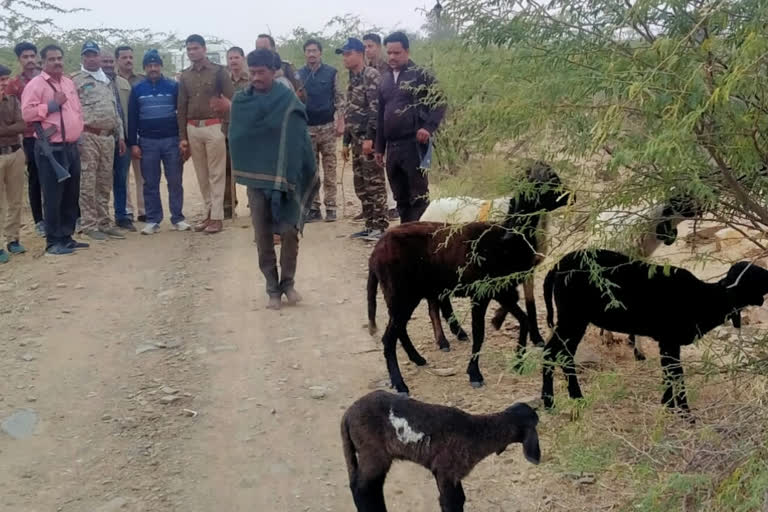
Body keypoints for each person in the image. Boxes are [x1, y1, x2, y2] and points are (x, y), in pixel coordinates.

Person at [228, 48, 318, 310]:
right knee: (263, 234)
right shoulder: (242, 101)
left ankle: (288, 283)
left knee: (290, 232)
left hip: (288, 179)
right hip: (257, 182)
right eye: (252, 72)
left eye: (261, 72)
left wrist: (295, 170)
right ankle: (272, 288)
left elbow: (298, 135)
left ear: (273, 71)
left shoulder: (287, 99)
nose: (256, 77)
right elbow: (238, 137)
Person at [21, 44, 87, 256]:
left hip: (70, 146)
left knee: (71, 194)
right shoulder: (36, 85)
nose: (57, 62)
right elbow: (27, 114)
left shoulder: (68, 82)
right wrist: (50, 105)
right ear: (43, 62)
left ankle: (67, 237)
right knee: (53, 196)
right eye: (52, 59)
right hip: (50, 148)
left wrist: (79, 135)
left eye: (59, 58)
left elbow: (76, 111)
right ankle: (53, 242)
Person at [375, 32, 446, 222]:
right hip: (393, 146)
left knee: (419, 196)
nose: (392, 57)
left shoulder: (421, 75)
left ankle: (423, 237)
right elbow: (380, 116)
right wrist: (379, 148)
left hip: (413, 144)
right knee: (400, 198)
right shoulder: (385, 79)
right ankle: (406, 238)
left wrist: (428, 127)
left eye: (396, 52)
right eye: (389, 52)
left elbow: (440, 101)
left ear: (407, 51)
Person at [128, 50, 190, 235]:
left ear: (161, 66)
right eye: (149, 65)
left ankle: (178, 218)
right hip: (147, 142)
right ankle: (153, 220)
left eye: (156, 65)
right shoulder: (138, 89)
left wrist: (182, 138)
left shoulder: (173, 86)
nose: (153, 68)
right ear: (145, 68)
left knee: (175, 181)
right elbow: (132, 118)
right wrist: (134, 143)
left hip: (171, 140)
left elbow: (181, 113)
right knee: (150, 182)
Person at [177, 34, 234, 234]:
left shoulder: (219, 72)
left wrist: (225, 129)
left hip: (214, 126)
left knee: (216, 174)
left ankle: (217, 217)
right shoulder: (184, 76)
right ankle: (208, 213)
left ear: (204, 49)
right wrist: (183, 136)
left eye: (195, 48)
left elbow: (230, 100)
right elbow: (181, 106)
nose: (192, 52)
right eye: (189, 49)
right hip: (193, 128)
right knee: (202, 175)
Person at [72, 41, 127, 241]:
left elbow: (116, 110)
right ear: (82, 58)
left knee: (105, 182)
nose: (91, 58)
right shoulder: (76, 80)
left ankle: (104, 222)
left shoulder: (107, 80)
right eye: (87, 55)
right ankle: (89, 224)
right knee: (88, 181)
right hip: (88, 136)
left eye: (94, 54)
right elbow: (72, 111)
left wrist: (120, 135)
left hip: (108, 137)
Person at [337, 38, 388, 241]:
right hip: (356, 139)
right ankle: (369, 225)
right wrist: (346, 143)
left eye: (348, 54)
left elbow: (375, 109)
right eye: (343, 54)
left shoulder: (371, 75)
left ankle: (381, 226)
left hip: (369, 140)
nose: (345, 58)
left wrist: (370, 138)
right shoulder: (353, 78)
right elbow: (351, 111)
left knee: (374, 183)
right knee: (361, 184)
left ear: (360, 54)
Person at [298, 39, 344, 223]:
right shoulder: (298, 74)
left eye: (314, 51)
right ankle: (314, 207)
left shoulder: (331, 72)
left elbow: (340, 98)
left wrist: (340, 120)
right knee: (311, 170)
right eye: (308, 51)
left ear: (320, 53)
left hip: (327, 126)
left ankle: (331, 206)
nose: (311, 54)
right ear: (304, 53)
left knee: (330, 167)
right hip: (307, 127)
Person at [5, 42, 45, 237]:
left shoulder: (46, 78)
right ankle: (39, 220)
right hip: (28, 137)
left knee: (56, 176)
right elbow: (10, 114)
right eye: (25, 57)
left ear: (37, 57)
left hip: (50, 134)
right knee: (35, 178)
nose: (29, 60)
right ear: (19, 60)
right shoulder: (13, 84)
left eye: (32, 56)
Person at [362, 33, 398, 220]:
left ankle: (394, 205)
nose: (368, 50)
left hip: (390, 121)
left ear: (379, 47)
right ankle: (380, 206)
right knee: (378, 164)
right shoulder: (367, 69)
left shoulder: (388, 67)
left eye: (371, 46)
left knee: (390, 164)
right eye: (365, 47)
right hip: (376, 122)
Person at [101, 49, 135, 232]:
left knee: (121, 178)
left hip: (123, 138)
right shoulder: (94, 83)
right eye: (104, 61)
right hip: (101, 138)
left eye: (109, 62)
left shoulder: (124, 84)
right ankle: (100, 218)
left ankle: (122, 215)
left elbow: (129, 112)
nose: (107, 65)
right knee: (102, 180)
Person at [0, 64, 27, 263]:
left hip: (16, 153)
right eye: (1, 79)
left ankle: (13, 239)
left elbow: (22, 124)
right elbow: (14, 127)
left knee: (15, 201)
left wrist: (6, 129)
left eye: (5, 79)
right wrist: (10, 128)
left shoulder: (14, 100)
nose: (4, 83)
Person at [116, 45, 146, 222]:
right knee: (122, 175)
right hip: (120, 135)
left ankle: (144, 210)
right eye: (124, 57)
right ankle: (127, 210)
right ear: (117, 60)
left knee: (143, 175)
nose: (128, 60)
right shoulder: (110, 80)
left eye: (130, 57)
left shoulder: (141, 80)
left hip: (140, 134)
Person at [224, 46, 249, 219]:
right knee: (227, 169)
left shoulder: (251, 80)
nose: (233, 61)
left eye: (236, 58)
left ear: (243, 59)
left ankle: (254, 203)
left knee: (251, 168)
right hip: (227, 130)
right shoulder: (224, 81)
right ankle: (228, 205)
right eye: (230, 58)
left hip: (248, 131)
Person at [255, 34, 304, 101]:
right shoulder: (253, 71)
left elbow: (300, 92)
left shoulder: (286, 67)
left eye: (264, 48)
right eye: (258, 49)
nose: (261, 52)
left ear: (273, 49)